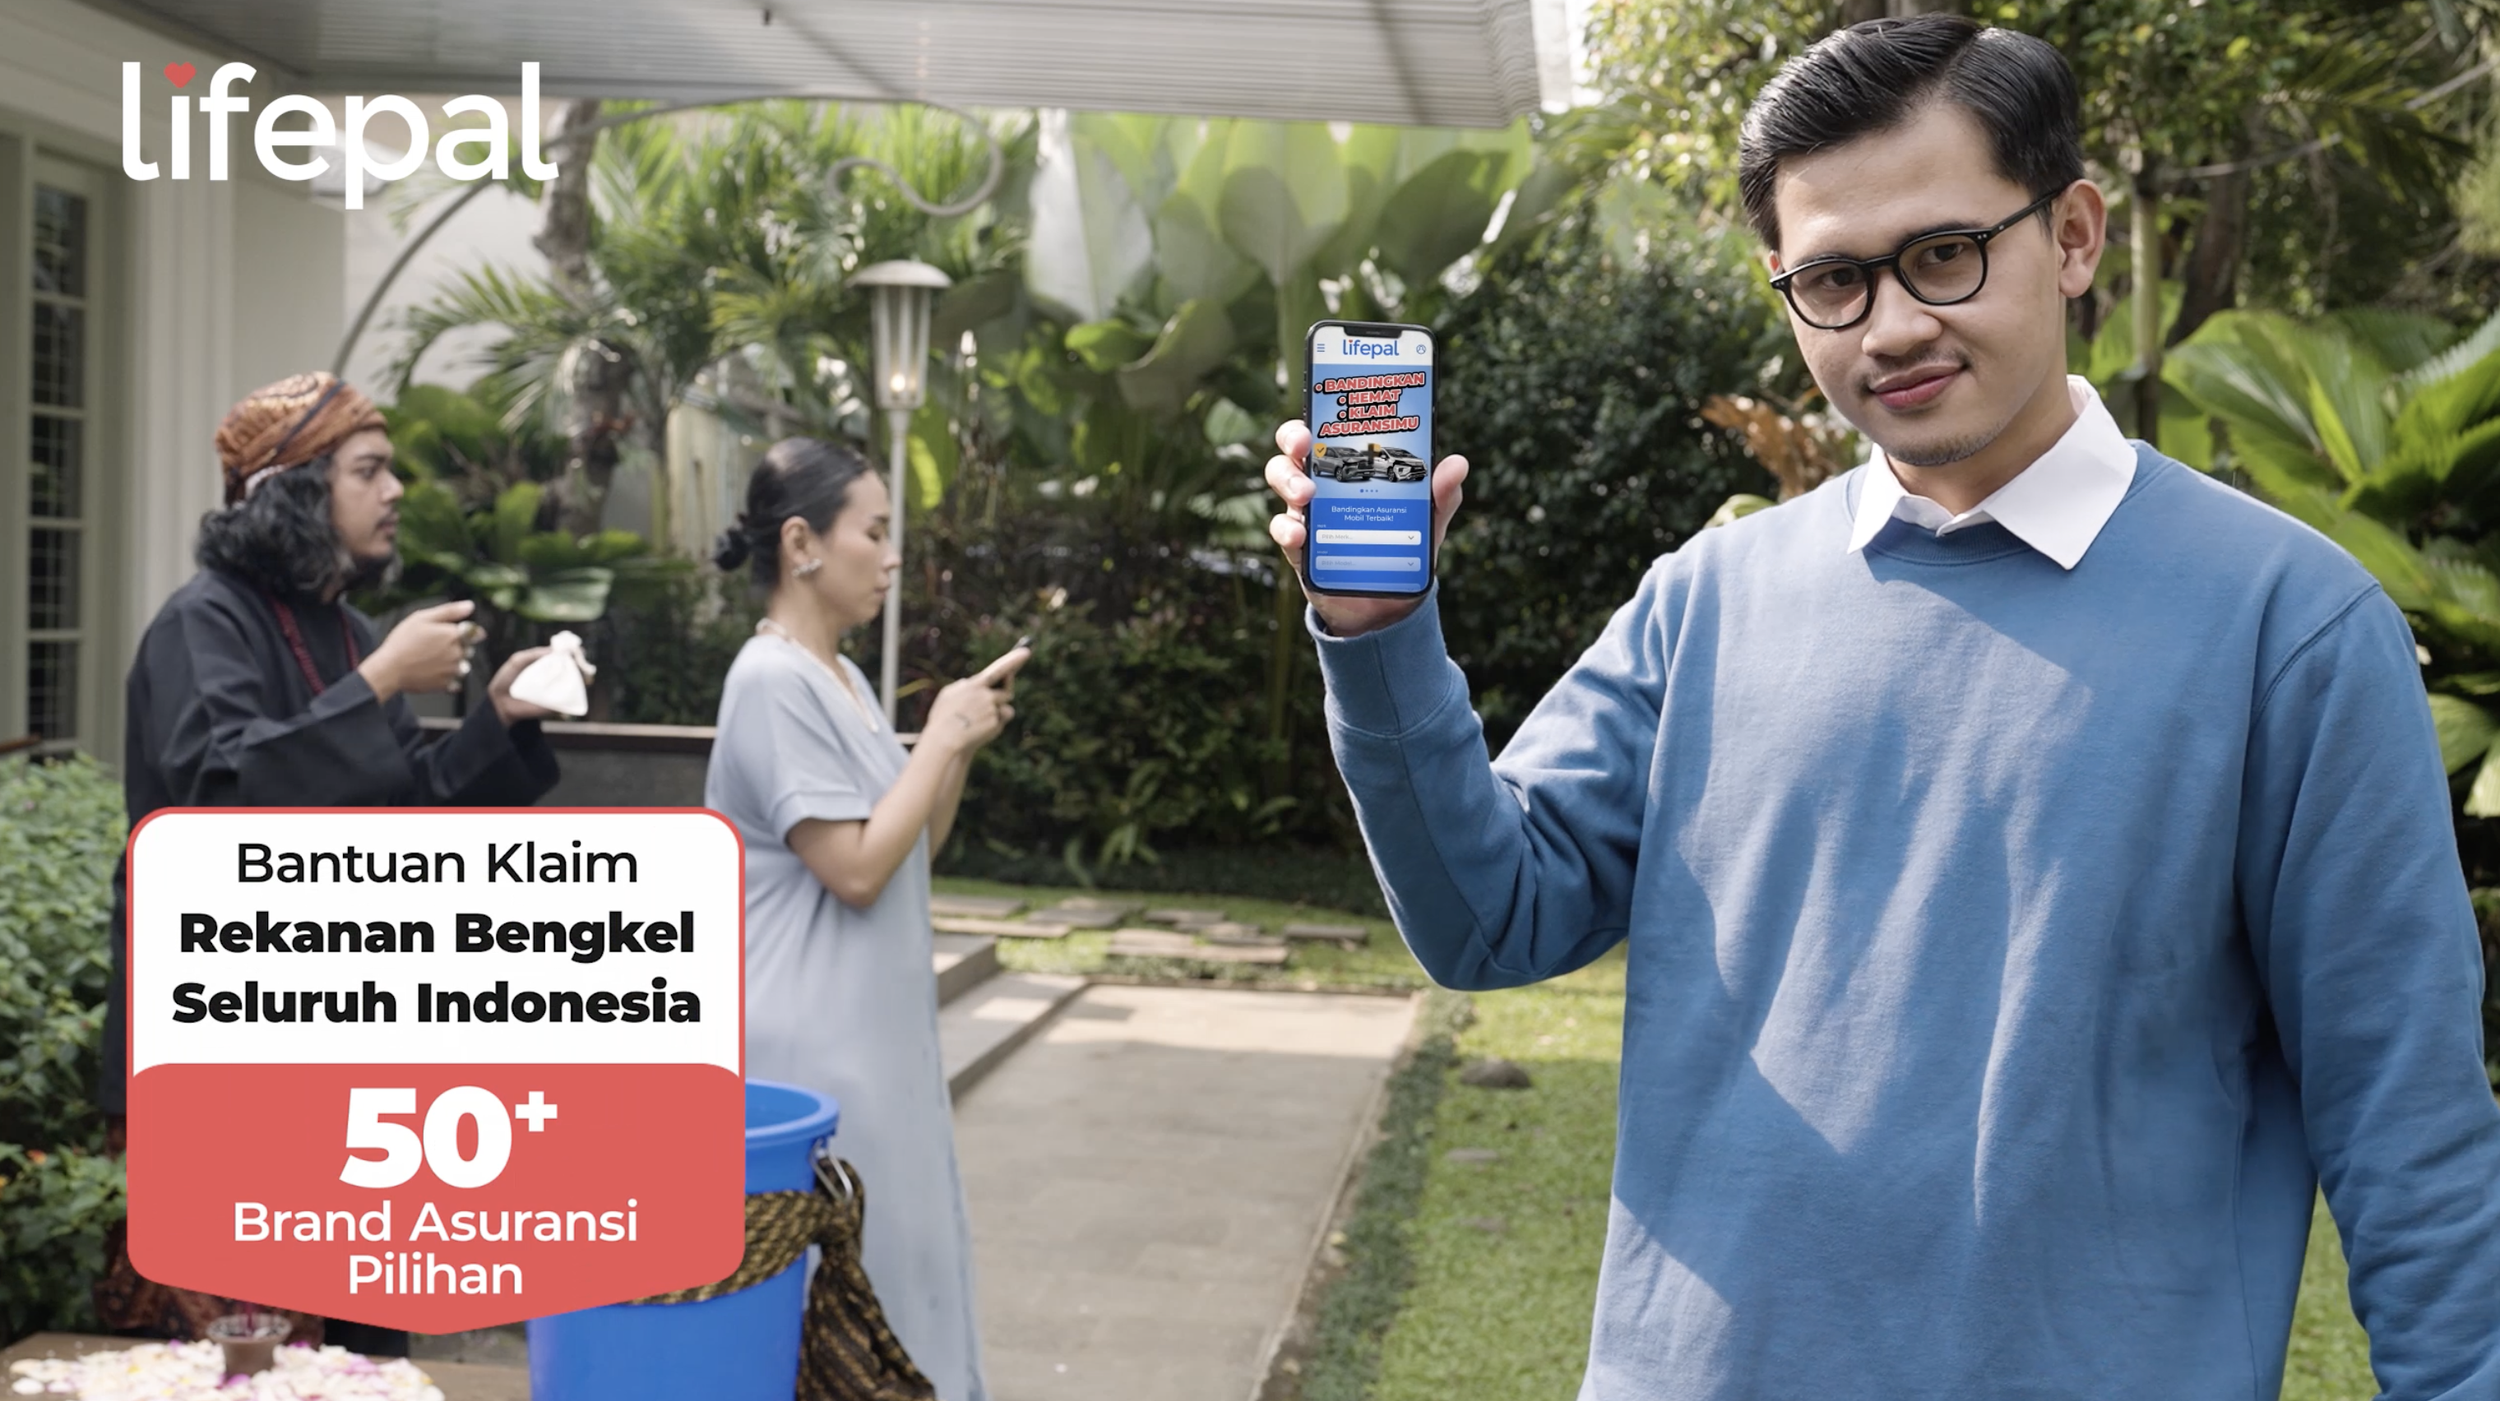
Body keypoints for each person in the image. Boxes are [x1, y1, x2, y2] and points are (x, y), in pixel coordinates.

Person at [1265, 16, 2500, 1400]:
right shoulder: (1711, 596)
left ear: (2075, 234)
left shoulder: (2293, 627)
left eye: (1945, 255)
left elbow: (2410, 1127)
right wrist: (1375, 633)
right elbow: (1487, 916)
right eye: (1834, 281)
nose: (1895, 327)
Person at [95, 371, 563, 1352]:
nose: (395, 491)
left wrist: (498, 721)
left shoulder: (345, 630)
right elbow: (212, 811)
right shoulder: (202, 622)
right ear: (297, 490)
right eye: (369, 469)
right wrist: (383, 677)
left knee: (365, 1345)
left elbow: (402, 813)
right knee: (237, 1354)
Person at [704, 437, 1026, 1401]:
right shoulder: (769, 681)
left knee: (902, 1264)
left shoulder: (840, 681)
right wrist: (941, 736)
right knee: (845, 1296)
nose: (891, 557)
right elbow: (849, 868)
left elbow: (906, 855)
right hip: (813, 1042)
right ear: (802, 542)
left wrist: (953, 747)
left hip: (873, 1032)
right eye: (875, 532)